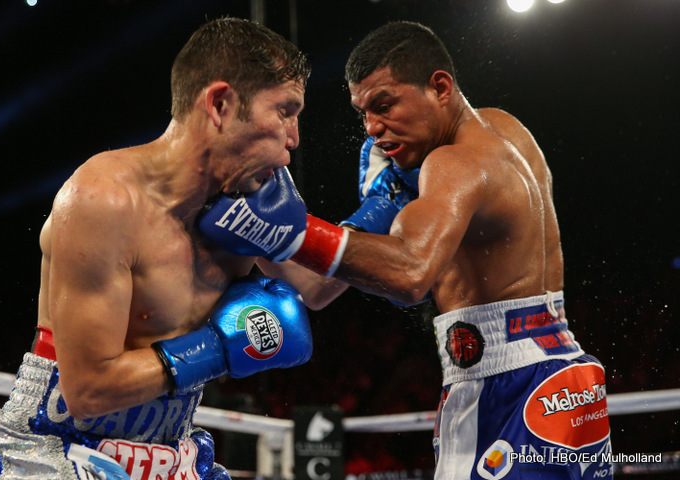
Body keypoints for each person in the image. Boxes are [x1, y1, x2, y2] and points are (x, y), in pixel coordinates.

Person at [199, 21, 613, 480]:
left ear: (440, 87)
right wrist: (261, 231)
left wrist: (292, 232)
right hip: (565, 382)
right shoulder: (503, 129)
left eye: (384, 105)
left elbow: (411, 276)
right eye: (363, 114)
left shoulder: (451, 164)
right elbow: (316, 289)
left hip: (505, 388)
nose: (374, 129)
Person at [0, 18, 314, 480]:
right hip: (61, 443)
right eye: (285, 111)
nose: (294, 139)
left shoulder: (248, 206)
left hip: (171, 447)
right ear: (220, 104)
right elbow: (87, 391)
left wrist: (382, 205)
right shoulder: (105, 200)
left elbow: (316, 291)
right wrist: (218, 346)